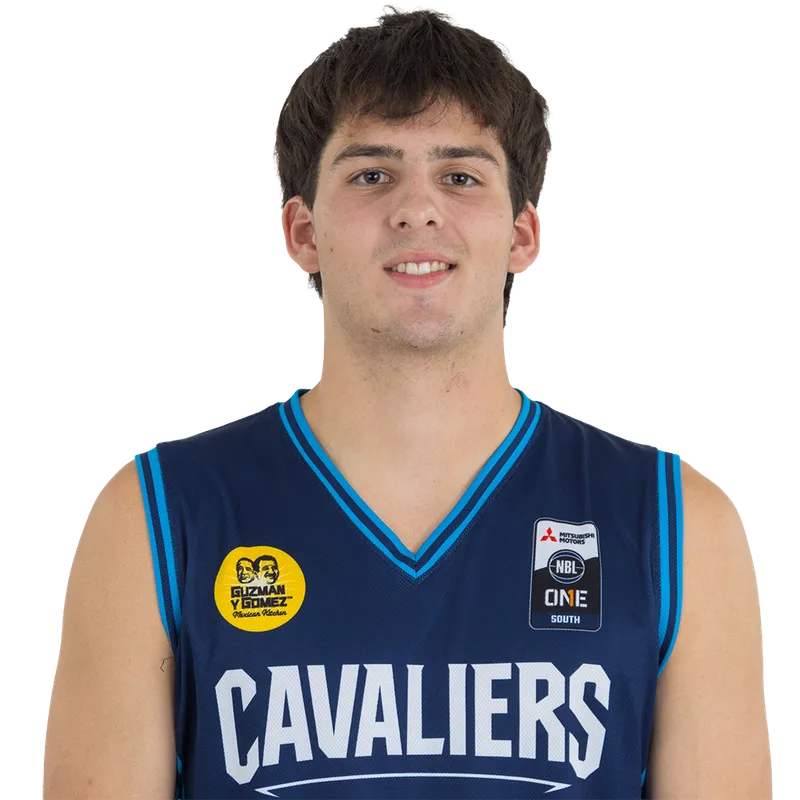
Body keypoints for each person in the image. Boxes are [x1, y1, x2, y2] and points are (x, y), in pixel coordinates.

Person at [42, 5, 772, 799]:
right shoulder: (156, 517)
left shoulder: (675, 524)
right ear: (301, 232)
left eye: (460, 176)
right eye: (371, 174)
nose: (417, 208)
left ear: (522, 234)